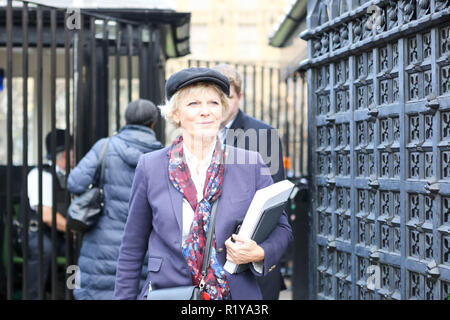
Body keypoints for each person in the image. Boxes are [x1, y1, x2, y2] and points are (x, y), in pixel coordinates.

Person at [114, 68, 292, 300]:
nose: (205, 112)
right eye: (194, 104)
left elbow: (282, 228)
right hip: (170, 292)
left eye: (214, 103)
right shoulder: (151, 167)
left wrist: (259, 252)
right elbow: (132, 248)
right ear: (176, 114)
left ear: (223, 110)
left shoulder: (250, 164)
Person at [67, 99, 163, 300]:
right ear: (153, 123)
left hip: (99, 249)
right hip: (141, 252)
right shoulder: (161, 155)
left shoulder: (105, 146)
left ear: (126, 120)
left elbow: (74, 183)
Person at [213, 64, 286, 300]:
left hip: (248, 257)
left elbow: (273, 201)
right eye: (216, 98)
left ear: (240, 97)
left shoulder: (263, 135)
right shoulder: (200, 132)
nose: (222, 104)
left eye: (228, 97)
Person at [26, 128, 73, 299]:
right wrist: (73, 230)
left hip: (58, 234)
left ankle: (72, 292)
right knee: (44, 249)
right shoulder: (40, 174)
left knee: (79, 249)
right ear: (65, 154)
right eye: (73, 151)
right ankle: (33, 296)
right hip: (34, 232)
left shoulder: (70, 176)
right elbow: (46, 215)